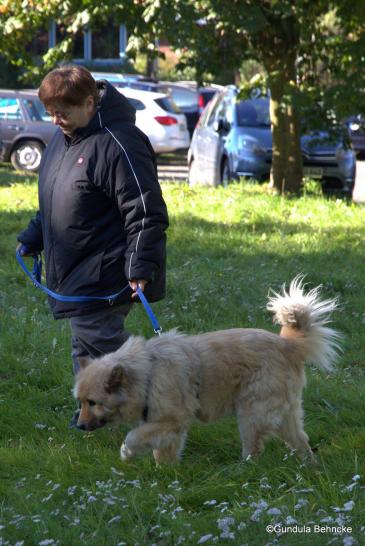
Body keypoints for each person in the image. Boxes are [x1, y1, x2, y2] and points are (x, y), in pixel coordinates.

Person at [17, 65, 168, 423]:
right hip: (75, 270)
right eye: (51, 113)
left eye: (62, 113)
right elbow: (56, 200)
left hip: (107, 270)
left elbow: (145, 211)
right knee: (83, 347)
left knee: (102, 343)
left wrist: (139, 266)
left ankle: (161, 406)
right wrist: (33, 237)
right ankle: (92, 414)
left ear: (89, 103)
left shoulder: (120, 142)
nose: (55, 121)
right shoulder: (65, 139)